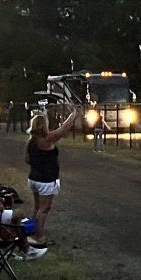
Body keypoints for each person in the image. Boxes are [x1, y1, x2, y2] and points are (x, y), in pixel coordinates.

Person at [24, 104, 85, 247]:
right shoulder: (47, 139)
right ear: (43, 125)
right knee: (44, 209)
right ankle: (39, 237)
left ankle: (33, 232)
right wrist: (74, 114)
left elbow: (26, 159)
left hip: (33, 177)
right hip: (45, 179)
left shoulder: (30, 141)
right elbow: (63, 130)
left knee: (37, 207)